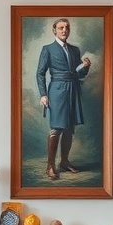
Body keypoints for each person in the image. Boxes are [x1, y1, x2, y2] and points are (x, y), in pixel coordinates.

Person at [36, 18, 91, 179]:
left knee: (69, 128)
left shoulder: (75, 50)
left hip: (73, 89)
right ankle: (50, 166)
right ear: (54, 30)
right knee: (57, 127)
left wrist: (85, 67)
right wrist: (43, 94)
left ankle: (64, 162)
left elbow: (79, 74)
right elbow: (40, 73)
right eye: (61, 28)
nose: (64, 30)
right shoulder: (47, 49)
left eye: (67, 27)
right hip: (57, 90)